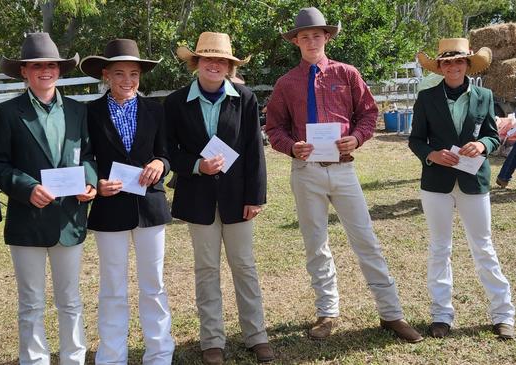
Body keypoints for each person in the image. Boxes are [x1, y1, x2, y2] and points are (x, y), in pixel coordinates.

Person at [265, 7, 422, 343]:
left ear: (327, 37)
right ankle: (327, 312)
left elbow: (368, 113)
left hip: (344, 170)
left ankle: (391, 313)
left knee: (366, 240)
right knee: (316, 244)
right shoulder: (285, 83)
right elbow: (274, 127)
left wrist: (358, 136)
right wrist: (292, 147)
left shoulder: (347, 74)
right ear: (296, 42)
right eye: (304, 36)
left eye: (316, 35)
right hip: (306, 171)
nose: (311, 41)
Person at [164, 32, 274, 365]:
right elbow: (168, 151)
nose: (215, 65)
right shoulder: (175, 102)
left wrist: (255, 196)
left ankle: (256, 335)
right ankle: (212, 339)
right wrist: (197, 165)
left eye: (222, 60)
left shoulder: (245, 98)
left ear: (229, 65)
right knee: (206, 269)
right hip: (198, 198)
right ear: (196, 63)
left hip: (238, 198)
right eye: (208, 59)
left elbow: (254, 150)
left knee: (244, 266)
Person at [0, 33, 97, 364]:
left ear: (60, 70)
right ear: (24, 71)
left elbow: (89, 155)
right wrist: (25, 187)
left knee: (70, 298)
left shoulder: (79, 111)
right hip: (28, 220)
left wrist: (89, 182)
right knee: (31, 301)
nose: (45, 71)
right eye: (37, 66)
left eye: (51, 65)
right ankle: (34, 360)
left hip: (69, 218)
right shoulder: (7, 112)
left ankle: (73, 358)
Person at [410, 38, 515, 339]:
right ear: (440, 67)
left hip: (473, 181)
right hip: (436, 183)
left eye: (459, 61)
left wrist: (482, 144)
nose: (453, 66)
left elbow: (494, 137)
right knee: (439, 248)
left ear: (468, 65)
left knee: (483, 247)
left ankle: (503, 313)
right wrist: (431, 154)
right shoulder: (426, 98)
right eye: (446, 62)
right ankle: (441, 314)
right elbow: (416, 139)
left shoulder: (484, 95)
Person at [79, 38, 175, 365]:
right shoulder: (89, 113)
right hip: (110, 208)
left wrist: (160, 164)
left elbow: (165, 153)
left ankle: (160, 354)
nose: (127, 81)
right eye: (119, 74)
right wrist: (95, 181)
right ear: (106, 75)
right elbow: (86, 156)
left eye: (133, 74)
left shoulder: (154, 110)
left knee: (154, 285)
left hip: (150, 207)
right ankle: (111, 356)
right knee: (112, 287)